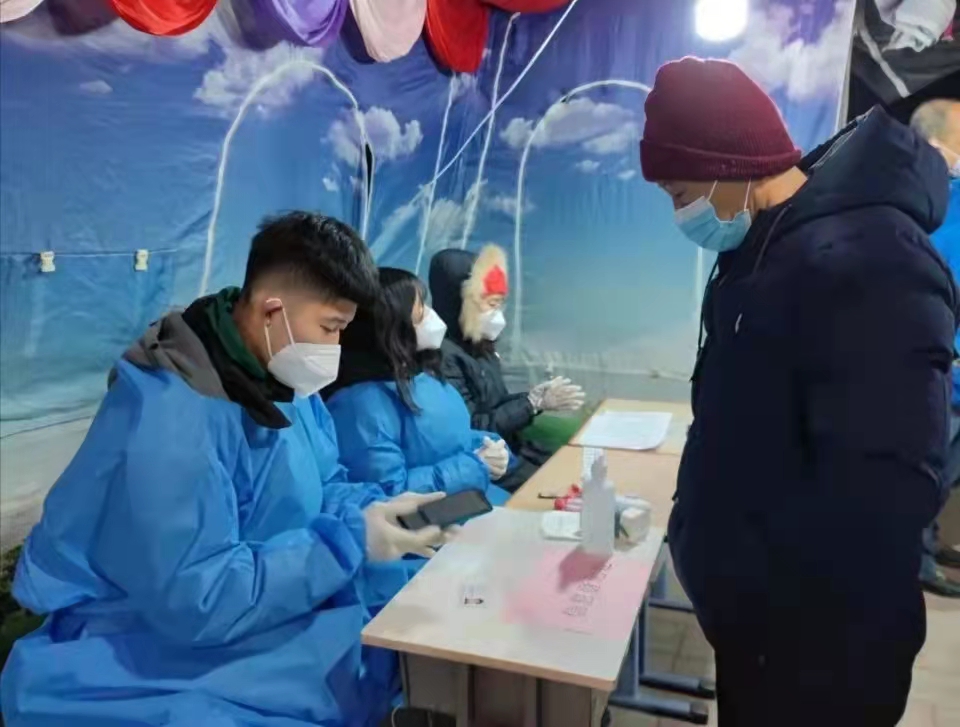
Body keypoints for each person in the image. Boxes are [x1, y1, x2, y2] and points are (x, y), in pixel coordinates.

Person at [0, 212, 454, 727]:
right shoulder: (169, 421)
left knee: (408, 615)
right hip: (145, 634)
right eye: (330, 328)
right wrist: (347, 542)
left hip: (260, 593)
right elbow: (200, 598)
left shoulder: (281, 381)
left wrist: (383, 513)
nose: (336, 348)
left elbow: (324, 483)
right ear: (272, 310)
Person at [639, 57, 957, 726]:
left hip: (818, 651)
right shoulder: (763, 248)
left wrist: (761, 595)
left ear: (726, 164)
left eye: (678, 192)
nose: (680, 212)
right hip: (759, 632)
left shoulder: (871, 260)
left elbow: (885, 491)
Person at [323, 266, 513, 507]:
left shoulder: (421, 376)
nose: (432, 316)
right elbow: (387, 493)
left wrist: (491, 447)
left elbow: (452, 439)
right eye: (421, 311)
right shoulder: (359, 407)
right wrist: (473, 465)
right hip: (424, 522)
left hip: (467, 501)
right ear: (390, 326)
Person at [428, 244, 585, 492]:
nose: (498, 314)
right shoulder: (443, 357)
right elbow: (474, 428)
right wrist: (530, 404)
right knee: (562, 486)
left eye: (500, 304)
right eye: (491, 304)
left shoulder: (478, 345)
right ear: (460, 302)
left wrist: (534, 399)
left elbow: (494, 404)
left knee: (575, 468)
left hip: (510, 448)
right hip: (489, 463)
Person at [911, 97, 960, 598]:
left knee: (945, 474)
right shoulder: (920, 203)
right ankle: (915, 559)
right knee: (925, 471)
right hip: (940, 365)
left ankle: (928, 543)